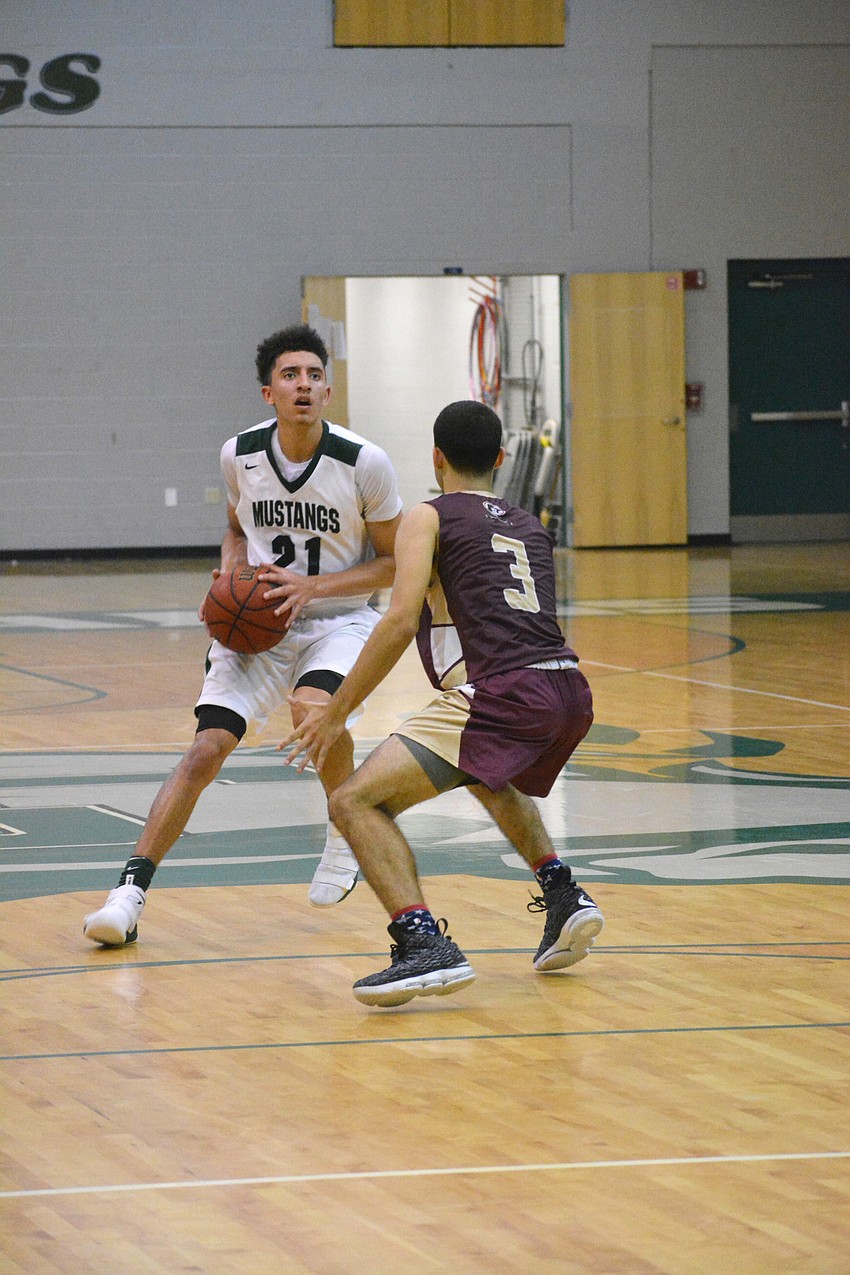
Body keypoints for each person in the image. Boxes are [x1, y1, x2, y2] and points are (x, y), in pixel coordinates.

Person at [83, 322, 402, 946]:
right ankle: (128, 895)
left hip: (336, 622)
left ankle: (343, 830)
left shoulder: (365, 462)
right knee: (205, 751)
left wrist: (314, 588)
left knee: (314, 709)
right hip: (258, 629)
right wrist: (232, 570)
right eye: (291, 375)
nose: (303, 385)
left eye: (314, 375)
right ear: (268, 393)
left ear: (328, 392)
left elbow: (393, 563)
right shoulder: (239, 454)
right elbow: (236, 526)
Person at [281, 399, 604, 1007]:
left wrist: (336, 709)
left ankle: (422, 940)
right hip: (567, 687)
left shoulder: (425, 517)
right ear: (502, 460)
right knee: (485, 771)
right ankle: (562, 893)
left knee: (353, 801)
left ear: (436, 459)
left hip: (503, 689)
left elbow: (402, 619)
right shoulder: (528, 524)